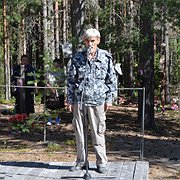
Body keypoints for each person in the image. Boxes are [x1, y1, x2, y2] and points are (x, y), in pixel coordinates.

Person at [67, 28, 117, 173]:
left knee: (98, 132)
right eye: (87, 41)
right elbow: (71, 81)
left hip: (97, 101)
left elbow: (111, 80)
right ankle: (81, 161)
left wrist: (109, 98)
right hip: (80, 101)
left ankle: (101, 162)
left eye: (93, 41)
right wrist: (70, 100)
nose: (90, 44)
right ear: (84, 41)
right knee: (80, 133)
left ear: (98, 41)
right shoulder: (77, 58)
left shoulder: (105, 57)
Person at [46, 58, 66, 125]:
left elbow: (62, 81)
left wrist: (57, 87)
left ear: (60, 64)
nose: (56, 65)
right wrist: (50, 88)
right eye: (55, 64)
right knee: (49, 106)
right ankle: (49, 120)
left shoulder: (62, 72)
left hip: (59, 92)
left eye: (57, 64)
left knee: (58, 107)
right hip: (49, 92)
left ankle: (57, 120)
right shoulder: (49, 72)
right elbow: (46, 81)